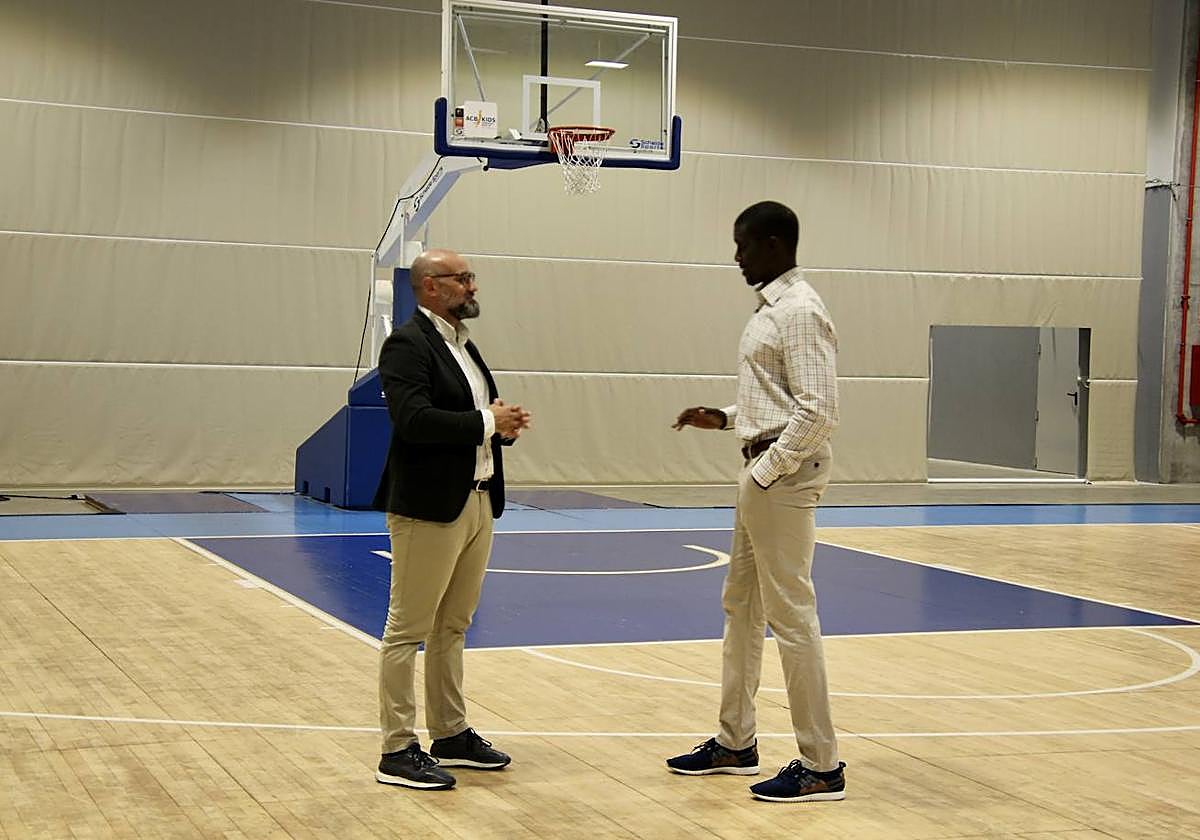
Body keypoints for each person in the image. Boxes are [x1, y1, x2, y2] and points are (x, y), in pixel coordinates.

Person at [665, 201, 846, 803]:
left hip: (781, 479)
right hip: (764, 474)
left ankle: (822, 765)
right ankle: (735, 742)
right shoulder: (772, 308)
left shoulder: (799, 310)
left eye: (743, 244)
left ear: (773, 244)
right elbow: (779, 400)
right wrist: (726, 419)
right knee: (741, 607)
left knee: (791, 616)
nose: (736, 256)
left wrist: (766, 472)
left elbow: (818, 411)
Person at [372, 248, 532, 791]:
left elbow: (467, 421)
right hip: (429, 505)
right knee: (407, 629)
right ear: (430, 288)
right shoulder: (406, 345)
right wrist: (488, 418)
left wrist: (499, 428)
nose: (472, 286)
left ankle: (450, 733)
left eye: (470, 277)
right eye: (461, 278)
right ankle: (396, 748)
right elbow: (414, 421)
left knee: (453, 626)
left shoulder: (463, 345)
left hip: (479, 499)